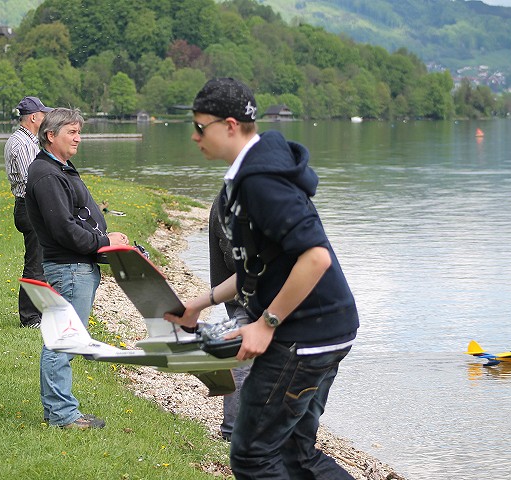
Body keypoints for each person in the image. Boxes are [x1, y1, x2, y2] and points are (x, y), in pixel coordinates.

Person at [165, 78, 359, 479]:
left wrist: (267, 323)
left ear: (230, 125)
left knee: (252, 456)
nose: (194, 136)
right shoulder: (249, 175)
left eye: (201, 127)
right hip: (326, 328)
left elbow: (316, 257)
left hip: (303, 335)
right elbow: (257, 266)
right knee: (295, 454)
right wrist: (198, 304)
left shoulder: (260, 180)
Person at [25, 107, 130, 429]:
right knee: (64, 341)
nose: (78, 138)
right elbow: (64, 230)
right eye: (71, 132)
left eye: (79, 132)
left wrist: (106, 240)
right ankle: (63, 416)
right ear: (50, 135)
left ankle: (59, 411)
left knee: (64, 339)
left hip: (75, 268)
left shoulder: (60, 169)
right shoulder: (46, 174)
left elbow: (75, 219)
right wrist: (103, 240)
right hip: (69, 269)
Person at [4, 96, 53, 328]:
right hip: (29, 208)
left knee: (41, 261)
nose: (45, 119)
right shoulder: (22, 144)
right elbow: (32, 180)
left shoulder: (27, 141)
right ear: (34, 117)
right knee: (34, 263)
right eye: (43, 115)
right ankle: (30, 318)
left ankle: (40, 313)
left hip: (29, 206)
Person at [208, 191, 251, 442]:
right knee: (242, 359)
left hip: (254, 296)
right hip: (241, 297)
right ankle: (233, 431)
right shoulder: (229, 201)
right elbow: (240, 266)